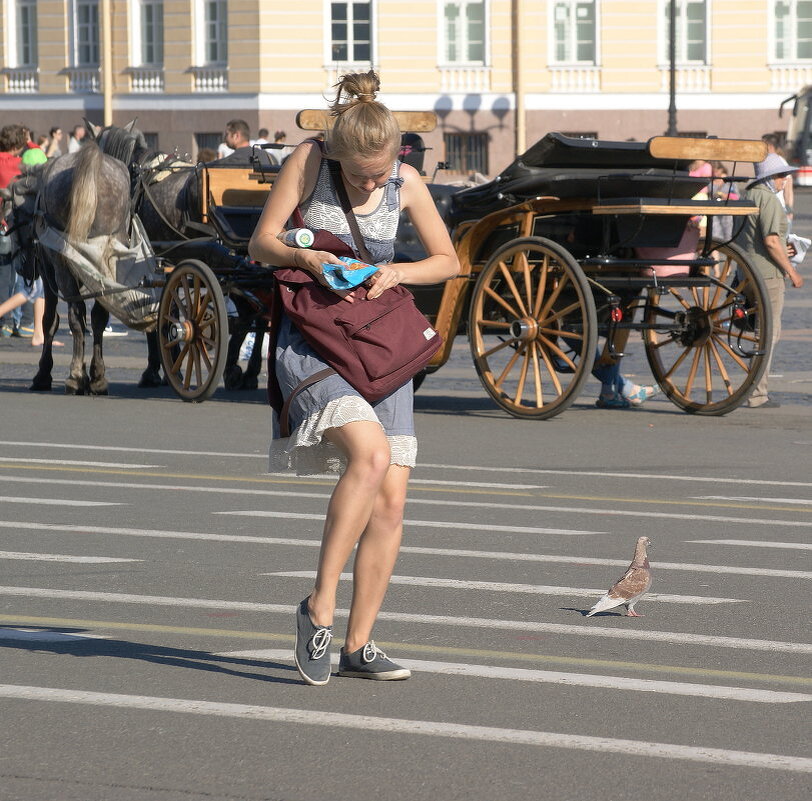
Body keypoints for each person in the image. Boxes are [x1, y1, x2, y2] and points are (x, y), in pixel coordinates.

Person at [247, 70, 459, 685]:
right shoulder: (310, 162)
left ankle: (359, 645)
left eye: (380, 172)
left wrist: (399, 275)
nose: (372, 182)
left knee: (391, 503)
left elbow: (448, 260)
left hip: (373, 342)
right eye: (361, 174)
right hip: (312, 337)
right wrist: (304, 254)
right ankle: (319, 607)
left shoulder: (405, 179)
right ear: (338, 153)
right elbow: (261, 243)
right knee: (368, 458)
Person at [736, 153, 804, 408]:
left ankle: (752, 389)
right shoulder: (769, 200)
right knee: (768, 333)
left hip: (747, 272)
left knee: (760, 331)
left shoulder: (748, 195)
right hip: (767, 274)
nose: (784, 180)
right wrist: (793, 272)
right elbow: (771, 241)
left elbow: (753, 238)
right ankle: (756, 393)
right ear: (770, 177)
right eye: (780, 176)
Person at [762, 134, 794, 225]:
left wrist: (789, 210)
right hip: (769, 207)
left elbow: (788, 189)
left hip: (778, 209)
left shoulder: (780, 162)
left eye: (762, 144)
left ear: (770, 146)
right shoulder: (765, 161)